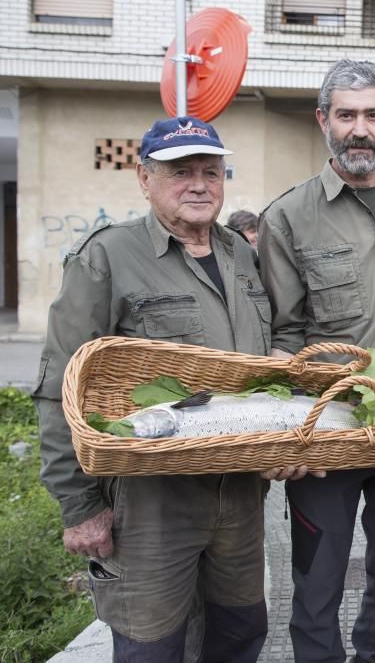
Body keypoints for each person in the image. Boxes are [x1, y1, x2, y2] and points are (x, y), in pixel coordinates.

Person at [33, 116, 271, 661]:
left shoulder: (242, 255)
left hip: (238, 497)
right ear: (144, 178)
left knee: (239, 632)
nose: (198, 184)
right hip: (151, 504)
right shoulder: (108, 257)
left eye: (211, 171)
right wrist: (79, 505)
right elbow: (61, 386)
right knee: (152, 646)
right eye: (179, 171)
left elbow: (261, 367)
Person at [257, 59, 375, 663]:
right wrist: (286, 433)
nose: (359, 129)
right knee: (316, 584)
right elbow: (284, 335)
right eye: (346, 115)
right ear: (324, 121)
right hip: (329, 431)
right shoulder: (287, 216)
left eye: (373, 114)